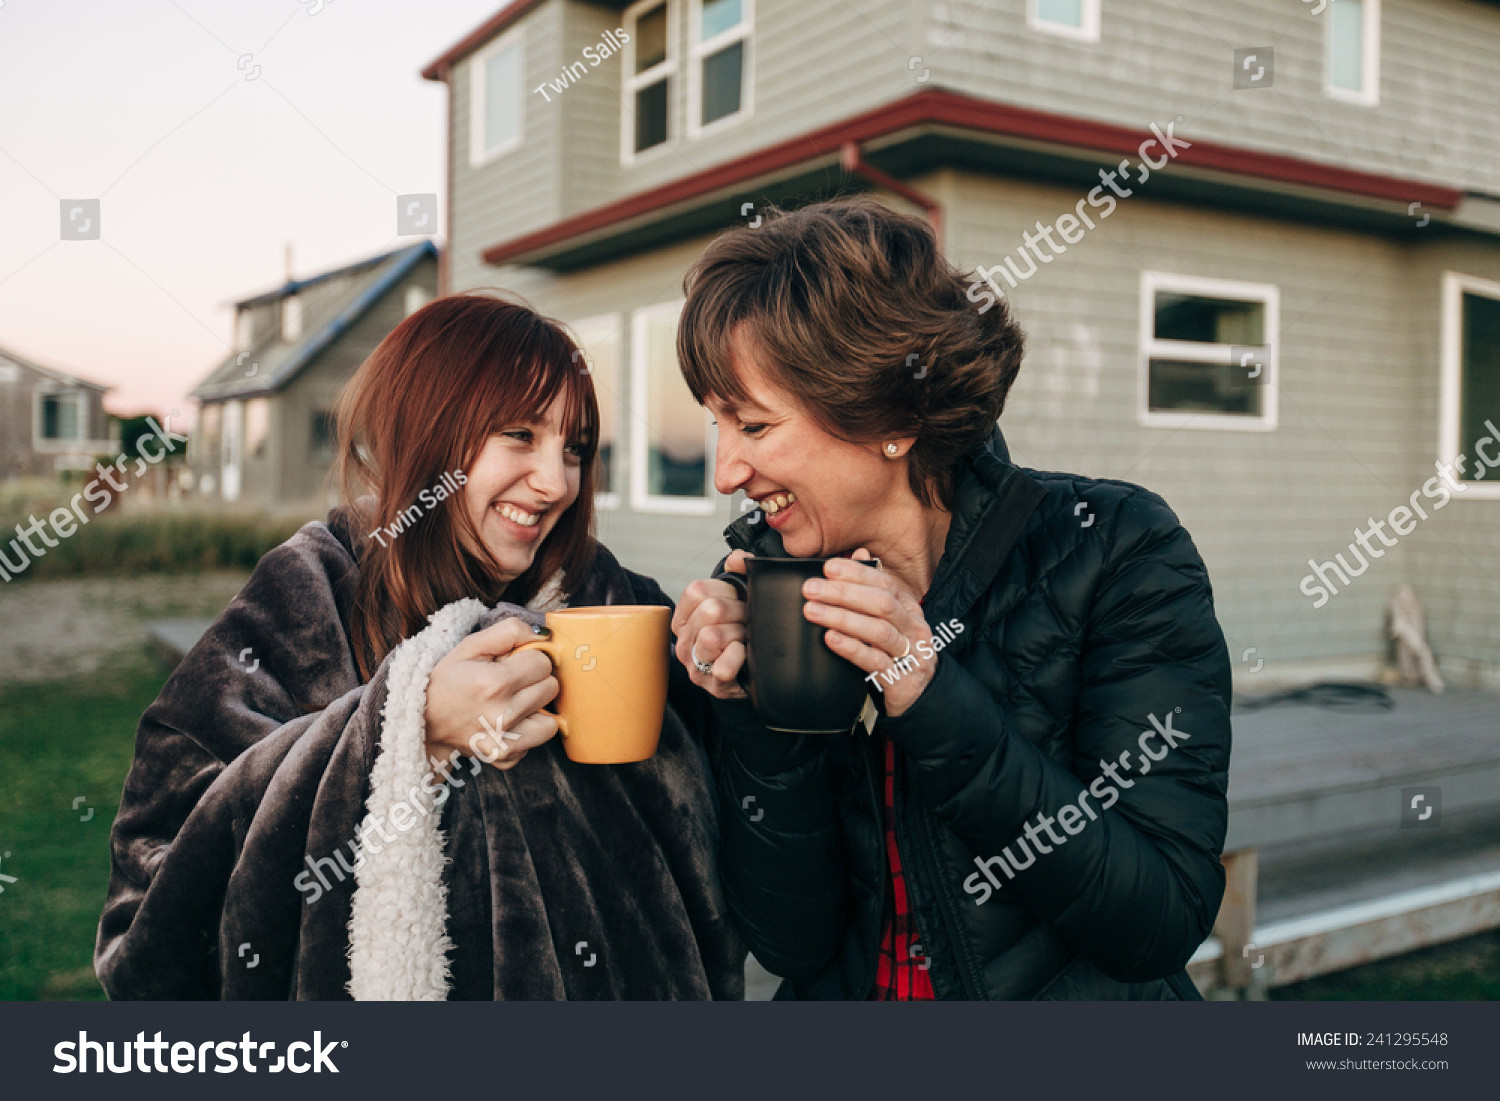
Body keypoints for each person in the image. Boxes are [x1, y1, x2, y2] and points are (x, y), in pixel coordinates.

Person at [96, 294, 742, 1000]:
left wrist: (741, 676)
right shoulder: (306, 599)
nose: (556, 482)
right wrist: (406, 723)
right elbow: (146, 924)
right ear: (427, 433)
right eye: (519, 434)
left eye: (576, 448)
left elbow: (742, 864)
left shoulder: (614, 603)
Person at [671, 198, 1232, 1000]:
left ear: (890, 415)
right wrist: (751, 713)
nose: (726, 472)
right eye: (717, 425)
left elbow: (1158, 919)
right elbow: (791, 941)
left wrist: (930, 696)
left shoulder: (1117, 549)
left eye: (754, 426)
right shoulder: (770, 587)